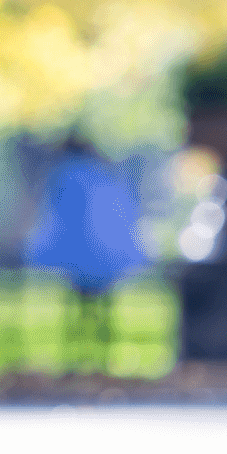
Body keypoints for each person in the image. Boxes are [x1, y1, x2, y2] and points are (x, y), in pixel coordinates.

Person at [23, 136, 148, 371]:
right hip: (110, 257)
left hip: (77, 257)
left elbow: (57, 222)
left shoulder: (64, 174)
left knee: (77, 308)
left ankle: (77, 358)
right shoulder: (105, 175)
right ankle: (103, 358)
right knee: (102, 309)